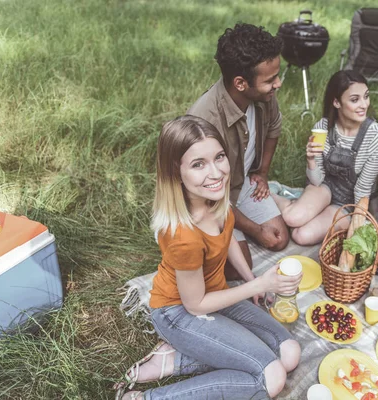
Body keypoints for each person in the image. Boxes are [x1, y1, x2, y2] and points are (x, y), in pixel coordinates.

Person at [115, 116, 302, 400]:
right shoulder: (183, 236)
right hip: (179, 311)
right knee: (271, 377)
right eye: (198, 164)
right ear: (176, 173)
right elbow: (195, 304)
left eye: (219, 157)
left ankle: (176, 360)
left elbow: (226, 241)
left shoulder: (214, 198)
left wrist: (251, 279)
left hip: (217, 296)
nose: (215, 173)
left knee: (290, 353)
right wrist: (260, 285)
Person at [188, 23, 289, 280]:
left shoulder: (264, 96)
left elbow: (274, 129)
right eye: (270, 80)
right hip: (207, 197)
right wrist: (254, 230)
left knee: (279, 239)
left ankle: (240, 227)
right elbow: (205, 195)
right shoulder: (205, 119)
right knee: (236, 268)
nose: (277, 84)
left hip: (238, 183)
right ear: (241, 83)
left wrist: (262, 173)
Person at [272, 70, 378, 245]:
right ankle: (270, 193)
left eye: (366, 96)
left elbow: (363, 189)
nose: (364, 105)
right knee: (291, 219)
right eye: (355, 100)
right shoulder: (322, 128)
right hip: (325, 186)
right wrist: (311, 160)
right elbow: (317, 181)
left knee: (301, 236)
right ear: (336, 102)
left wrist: (358, 225)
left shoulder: (376, 136)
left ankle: (299, 203)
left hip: (351, 202)